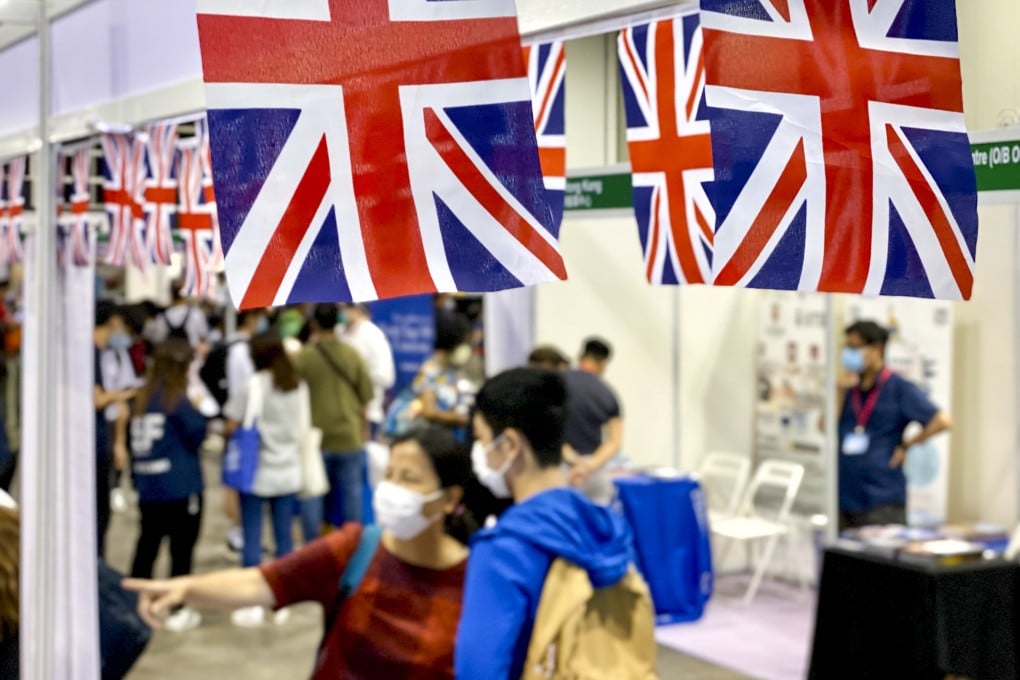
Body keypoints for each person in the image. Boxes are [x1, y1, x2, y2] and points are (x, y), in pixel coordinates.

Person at [125, 426, 476, 680]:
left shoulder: (477, 579)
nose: (392, 489)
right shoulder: (358, 549)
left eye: (410, 478)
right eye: (388, 475)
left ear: (450, 499)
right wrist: (187, 589)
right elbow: (262, 582)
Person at [456, 368, 640, 679]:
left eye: (482, 439)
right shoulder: (607, 530)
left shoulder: (502, 552)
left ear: (510, 445)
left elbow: (478, 669)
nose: (481, 454)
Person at [223, 333, 310, 627]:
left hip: (256, 472)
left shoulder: (254, 385)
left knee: (252, 536)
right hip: (289, 470)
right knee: (284, 537)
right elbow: (304, 427)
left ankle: (251, 602)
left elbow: (232, 419)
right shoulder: (299, 385)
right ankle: (282, 599)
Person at [838, 321, 952, 530]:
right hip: (844, 497)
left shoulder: (898, 388)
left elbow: (942, 421)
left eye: (855, 348)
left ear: (877, 349)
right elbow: (825, 427)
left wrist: (907, 445)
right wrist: (838, 390)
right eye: (847, 348)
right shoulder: (848, 388)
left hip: (881, 499)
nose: (849, 354)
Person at [128, 339, 208, 632]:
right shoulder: (178, 400)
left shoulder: (142, 397)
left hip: (148, 486)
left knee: (146, 545)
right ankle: (177, 608)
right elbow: (198, 434)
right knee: (181, 550)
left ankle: (134, 602)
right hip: (179, 487)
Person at [293, 305, 373, 534]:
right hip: (349, 433)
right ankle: (353, 545)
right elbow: (365, 397)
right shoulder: (352, 354)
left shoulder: (305, 356)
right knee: (352, 494)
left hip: (315, 436)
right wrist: (363, 430)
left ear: (314, 324)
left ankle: (314, 547)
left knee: (313, 493)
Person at [222, 308, 267, 552]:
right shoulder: (241, 351)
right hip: (243, 424)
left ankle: (242, 532)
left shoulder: (235, 348)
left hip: (242, 422)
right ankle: (238, 529)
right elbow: (239, 391)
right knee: (239, 482)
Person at [94, 302, 136, 557]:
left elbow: (119, 405)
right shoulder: (91, 354)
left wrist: (119, 442)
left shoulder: (114, 354)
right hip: (94, 440)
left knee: (102, 508)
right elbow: (98, 399)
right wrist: (120, 394)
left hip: (105, 436)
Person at [562, 338, 624, 505]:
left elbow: (544, 428)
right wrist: (589, 465)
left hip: (561, 468)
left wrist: (572, 459)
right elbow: (615, 442)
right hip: (593, 473)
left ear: (580, 357)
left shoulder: (556, 384)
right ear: (603, 363)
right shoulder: (608, 394)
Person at [414, 314, 479, 443]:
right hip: (434, 442)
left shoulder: (450, 369)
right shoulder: (431, 370)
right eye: (465, 342)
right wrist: (462, 419)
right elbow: (429, 411)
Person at [340, 303, 396, 439]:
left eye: (343, 308)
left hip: (368, 414)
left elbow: (386, 377)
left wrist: (356, 376)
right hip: (340, 412)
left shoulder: (373, 335)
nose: (341, 312)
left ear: (355, 308)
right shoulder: (340, 332)